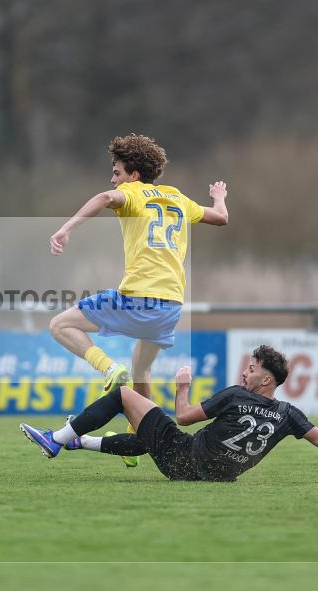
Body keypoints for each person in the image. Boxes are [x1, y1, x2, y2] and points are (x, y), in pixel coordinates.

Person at [48, 133, 229, 468]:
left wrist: (66, 229)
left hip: (139, 297)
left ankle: (108, 368)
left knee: (60, 325)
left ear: (133, 174)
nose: (112, 178)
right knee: (142, 369)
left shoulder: (131, 193)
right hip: (172, 306)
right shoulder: (176, 197)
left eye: (116, 172)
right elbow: (221, 218)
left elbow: (104, 197)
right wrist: (219, 197)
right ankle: (139, 437)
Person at [20, 345, 318, 484]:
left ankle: (57, 439)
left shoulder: (233, 395)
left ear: (266, 378)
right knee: (151, 436)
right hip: (217, 477)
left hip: (183, 463)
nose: (245, 372)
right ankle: (80, 442)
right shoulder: (289, 414)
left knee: (124, 394)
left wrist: (183, 385)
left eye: (251, 368)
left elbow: (182, 417)